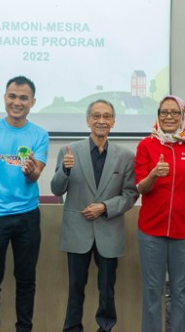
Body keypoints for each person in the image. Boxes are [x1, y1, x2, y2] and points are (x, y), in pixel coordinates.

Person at [51, 99, 138, 332]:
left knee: (107, 289)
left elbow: (130, 194)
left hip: (109, 230)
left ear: (113, 122)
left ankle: (105, 328)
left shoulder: (126, 156)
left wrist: (105, 207)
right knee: (75, 287)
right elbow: (57, 189)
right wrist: (65, 170)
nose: (102, 120)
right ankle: (72, 328)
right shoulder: (69, 151)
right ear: (88, 120)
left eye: (107, 116)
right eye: (97, 116)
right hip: (77, 231)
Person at [0, 76, 49, 332]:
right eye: (12, 96)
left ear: (32, 102)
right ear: (5, 98)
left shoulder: (40, 135)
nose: (17, 102)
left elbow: (36, 174)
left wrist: (30, 171)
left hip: (27, 217)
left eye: (23, 98)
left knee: (26, 281)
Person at [135, 95, 185, 332]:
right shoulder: (146, 145)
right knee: (153, 289)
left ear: (182, 115)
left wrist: (181, 206)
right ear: (158, 115)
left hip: (184, 230)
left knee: (182, 290)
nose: (168, 117)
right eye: (163, 112)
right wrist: (154, 174)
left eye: (174, 112)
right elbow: (140, 188)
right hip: (151, 230)